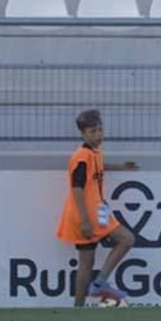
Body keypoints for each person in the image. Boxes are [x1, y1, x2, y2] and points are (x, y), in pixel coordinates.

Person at [55, 109, 138, 307]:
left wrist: (121, 167)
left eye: (100, 129)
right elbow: (76, 188)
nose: (98, 134)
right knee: (126, 239)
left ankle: (79, 307)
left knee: (87, 261)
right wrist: (84, 220)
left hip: (98, 211)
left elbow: (99, 167)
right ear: (83, 134)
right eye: (93, 131)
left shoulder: (93, 153)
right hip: (88, 214)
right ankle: (99, 285)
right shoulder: (81, 156)